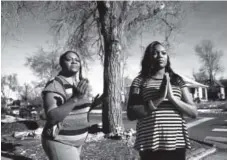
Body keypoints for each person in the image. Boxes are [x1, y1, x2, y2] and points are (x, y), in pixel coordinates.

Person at [127, 41, 198, 160]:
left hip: (176, 143)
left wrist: (172, 98)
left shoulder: (177, 80)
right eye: (155, 53)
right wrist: (159, 98)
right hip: (149, 143)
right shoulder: (140, 81)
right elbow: (131, 113)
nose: (160, 55)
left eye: (163, 53)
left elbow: (194, 112)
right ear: (148, 58)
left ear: (167, 57)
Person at [41, 51, 100, 160]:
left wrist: (96, 103)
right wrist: (75, 98)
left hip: (77, 142)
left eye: (77, 60)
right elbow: (52, 116)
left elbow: (76, 110)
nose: (74, 61)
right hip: (60, 141)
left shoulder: (79, 84)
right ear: (61, 63)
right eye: (69, 59)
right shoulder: (55, 84)